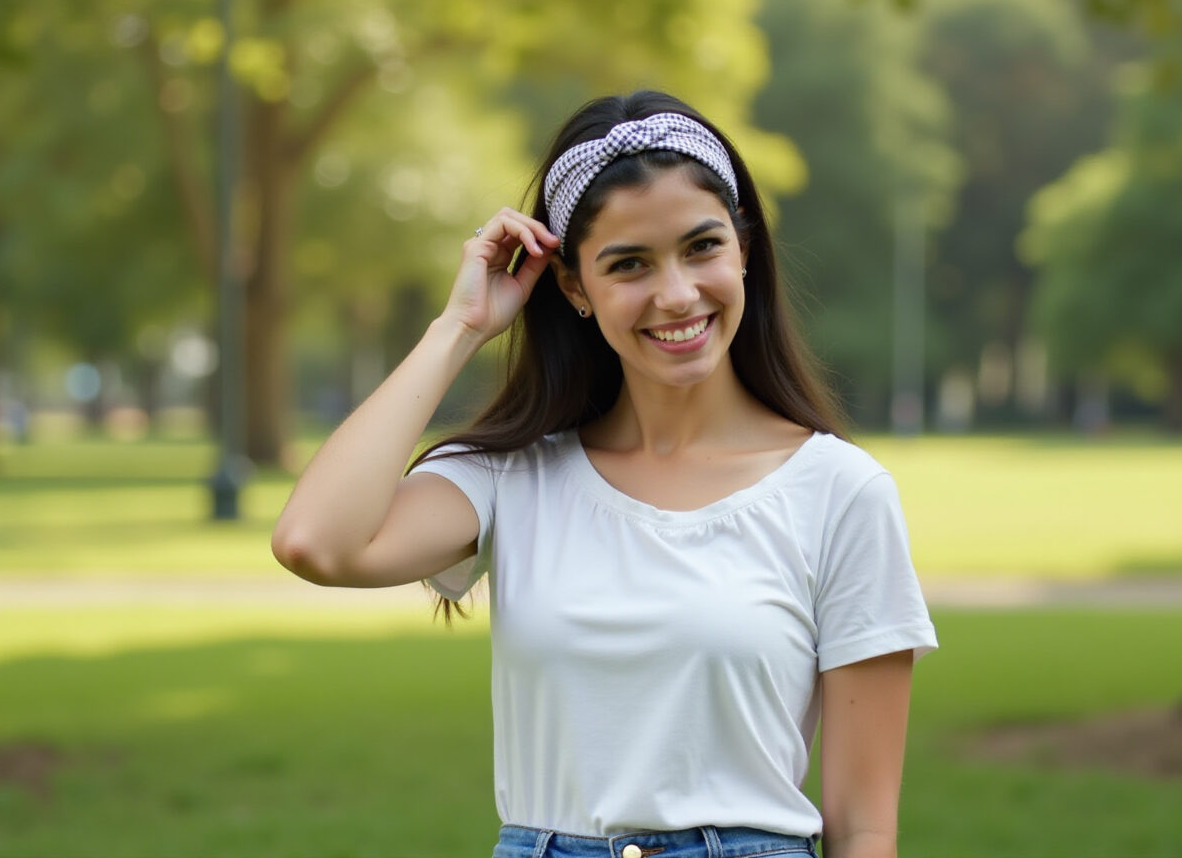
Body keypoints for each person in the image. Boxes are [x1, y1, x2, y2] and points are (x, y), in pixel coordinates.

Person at [272, 90, 938, 858]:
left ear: (743, 250)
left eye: (702, 247)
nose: (678, 294)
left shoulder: (841, 493)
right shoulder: (509, 479)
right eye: (629, 265)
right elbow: (314, 542)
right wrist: (460, 326)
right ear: (574, 287)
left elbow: (864, 826)